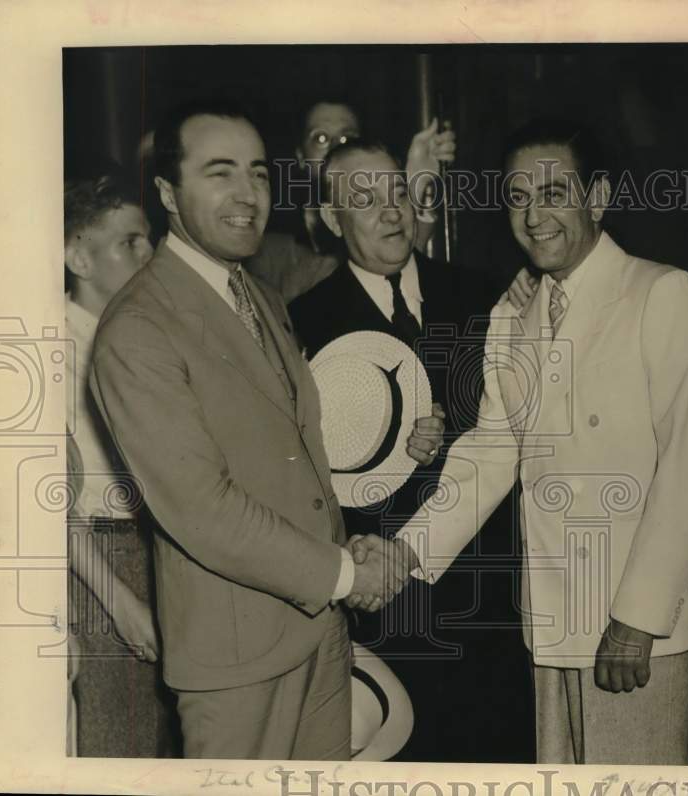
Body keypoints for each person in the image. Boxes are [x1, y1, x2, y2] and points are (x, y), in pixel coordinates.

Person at [89, 99, 425, 759]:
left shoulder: (262, 297)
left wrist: (349, 546)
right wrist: (343, 574)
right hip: (236, 660)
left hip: (320, 637)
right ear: (168, 193)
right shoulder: (138, 328)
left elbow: (290, 458)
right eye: (220, 173)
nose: (247, 193)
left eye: (258, 173)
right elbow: (201, 508)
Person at [389, 119, 688, 765]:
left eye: (553, 193)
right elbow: (492, 453)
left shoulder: (661, 292)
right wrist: (404, 553)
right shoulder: (512, 316)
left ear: (598, 198)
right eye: (518, 197)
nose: (534, 216)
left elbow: (687, 468)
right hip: (551, 622)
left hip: (637, 630)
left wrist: (639, 618)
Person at [288, 139, 532, 762]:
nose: (391, 211)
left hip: (492, 598)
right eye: (365, 200)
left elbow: (519, 432)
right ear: (331, 218)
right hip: (383, 607)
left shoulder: (485, 296)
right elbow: (298, 478)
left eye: (397, 191)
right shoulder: (301, 323)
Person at [64, 172, 178, 756]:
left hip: (160, 552)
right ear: (78, 258)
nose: (149, 252)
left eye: (149, 238)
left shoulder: (142, 338)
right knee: (117, 751)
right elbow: (42, 501)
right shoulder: (49, 347)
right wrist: (120, 602)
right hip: (98, 563)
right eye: (129, 242)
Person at [245, 98, 455, 303]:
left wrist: (411, 184)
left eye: (347, 138)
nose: (336, 146)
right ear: (301, 156)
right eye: (320, 138)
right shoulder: (269, 234)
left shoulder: (383, 218)